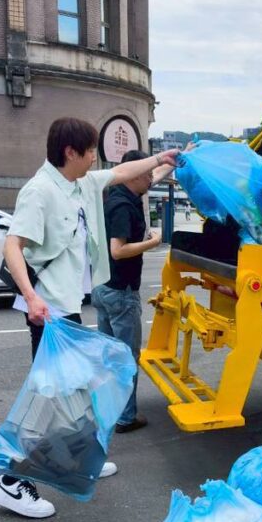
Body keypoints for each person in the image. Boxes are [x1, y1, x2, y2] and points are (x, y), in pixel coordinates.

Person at [0, 117, 179, 519]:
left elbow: (122, 172)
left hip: (68, 306)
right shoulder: (40, 191)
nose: (95, 157)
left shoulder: (81, 184)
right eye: (90, 150)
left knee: (76, 390)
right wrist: (32, 298)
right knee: (49, 397)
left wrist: (159, 159)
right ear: (70, 152)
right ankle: (10, 480)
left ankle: (80, 456)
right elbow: (13, 245)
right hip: (48, 312)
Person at [92, 148, 172, 432]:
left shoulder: (118, 192)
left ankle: (109, 408)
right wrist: (154, 242)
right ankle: (126, 417)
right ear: (133, 175)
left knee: (109, 356)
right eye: (146, 174)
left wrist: (171, 162)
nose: (151, 179)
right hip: (120, 293)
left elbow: (154, 174)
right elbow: (118, 250)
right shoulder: (123, 207)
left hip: (103, 288)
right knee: (126, 358)